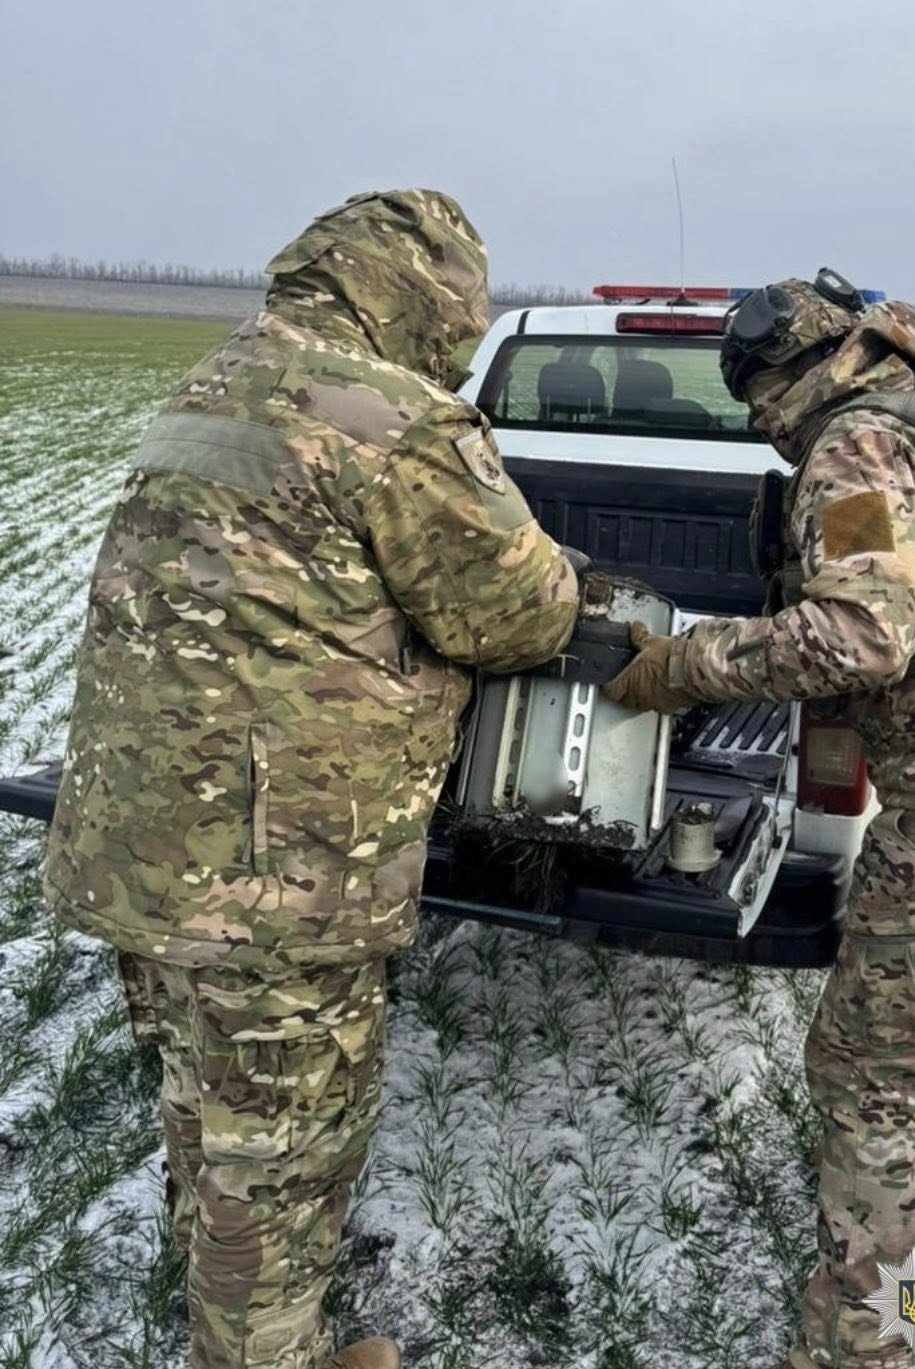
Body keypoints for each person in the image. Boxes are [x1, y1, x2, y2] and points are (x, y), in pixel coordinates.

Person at [44, 189, 580, 1369]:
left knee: (209, 1124)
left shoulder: (207, 384)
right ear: (429, 301)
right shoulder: (394, 418)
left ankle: (242, 1334)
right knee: (280, 1163)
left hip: (145, 841)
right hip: (273, 877)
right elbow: (523, 614)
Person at [604, 272, 915, 1369]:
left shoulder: (859, 445)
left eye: (756, 397)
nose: (758, 423)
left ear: (790, 374)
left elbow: (860, 638)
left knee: (866, 1063)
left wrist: (681, 665)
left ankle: (863, 1348)